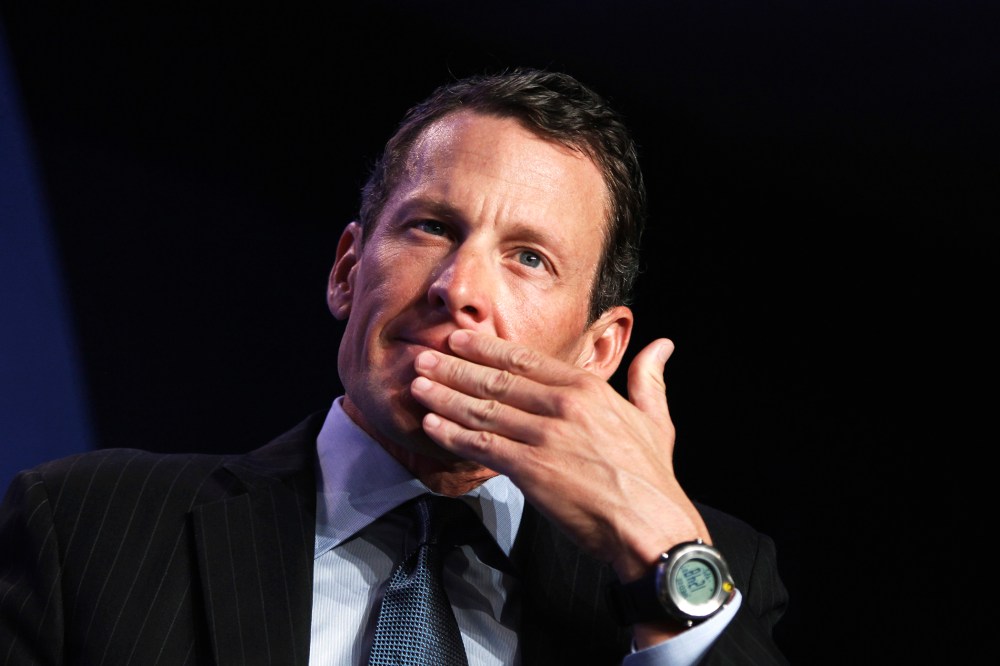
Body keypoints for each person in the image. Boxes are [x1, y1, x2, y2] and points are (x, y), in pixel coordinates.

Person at [0, 67, 789, 665]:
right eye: (432, 227)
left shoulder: (717, 569)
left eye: (528, 257)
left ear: (598, 351)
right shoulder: (86, 526)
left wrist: (666, 562)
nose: (459, 290)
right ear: (348, 270)